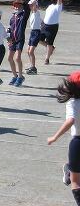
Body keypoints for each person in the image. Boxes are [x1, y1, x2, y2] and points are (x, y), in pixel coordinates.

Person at [47, 71, 80, 205]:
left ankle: (69, 170)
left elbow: (70, 121)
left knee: (75, 181)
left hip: (78, 143)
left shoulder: (73, 104)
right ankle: (69, 169)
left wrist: (55, 137)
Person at [7, 0, 29, 87]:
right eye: (15, 5)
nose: (17, 7)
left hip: (20, 39)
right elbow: (9, 29)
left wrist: (22, 2)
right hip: (13, 40)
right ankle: (15, 76)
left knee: (17, 58)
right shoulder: (12, 17)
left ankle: (20, 76)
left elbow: (27, 8)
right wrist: (8, 39)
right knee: (9, 58)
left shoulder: (24, 15)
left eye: (19, 5)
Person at [41, 0, 64, 65]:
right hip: (45, 26)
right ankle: (51, 48)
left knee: (49, 43)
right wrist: (42, 23)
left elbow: (60, 0)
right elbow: (47, 15)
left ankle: (47, 59)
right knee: (39, 39)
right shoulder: (50, 6)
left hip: (52, 27)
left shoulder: (58, 6)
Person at [25, 0, 42, 75]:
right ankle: (32, 66)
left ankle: (34, 68)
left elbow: (35, 7)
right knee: (28, 51)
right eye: (30, 5)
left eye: (32, 5)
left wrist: (35, 2)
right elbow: (41, 22)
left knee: (31, 51)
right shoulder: (32, 13)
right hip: (32, 32)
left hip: (36, 33)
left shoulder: (36, 12)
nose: (30, 6)